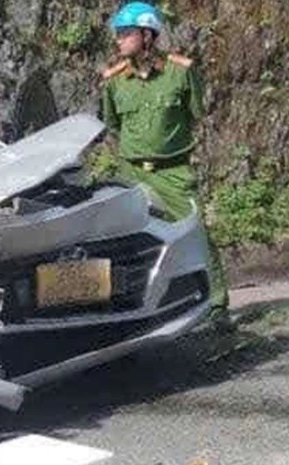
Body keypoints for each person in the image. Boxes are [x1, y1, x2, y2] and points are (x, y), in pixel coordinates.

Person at [99, 2, 230, 324]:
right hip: (131, 172)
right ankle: (135, 311)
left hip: (173, 170)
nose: (119, 40)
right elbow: (112, 125)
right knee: (130, 240)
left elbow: (198, 113)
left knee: (194, 231)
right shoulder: (114, 81)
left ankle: (216, 305)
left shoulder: (180, 73)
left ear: (147, 35)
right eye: (118, 34)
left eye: (126, 34)